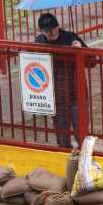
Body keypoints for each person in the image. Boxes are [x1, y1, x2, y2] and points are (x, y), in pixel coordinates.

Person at [34, 13, 87, 149]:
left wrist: (80, 51)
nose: (50, 33)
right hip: (56, 96)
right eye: (46, 31)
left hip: (76, 93)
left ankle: (85, 162)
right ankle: (66, 160)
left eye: (53, 29)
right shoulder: (40, 41)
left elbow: (91, 62)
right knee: (62, 137)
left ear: (58, 26)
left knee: (82, 134)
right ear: (41, 31)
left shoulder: (71, 38)